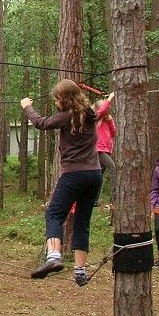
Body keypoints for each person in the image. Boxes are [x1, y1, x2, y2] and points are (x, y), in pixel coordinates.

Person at [21, 79, 102, 287]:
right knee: (82, 222)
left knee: (54, 213)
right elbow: (99, 106)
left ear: (64, 99)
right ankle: (80, 271)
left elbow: (41, 123)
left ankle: (54, 256)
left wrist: (27, 107)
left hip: (74, 174)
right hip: (94, 174)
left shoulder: (67, 117)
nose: (56, 102)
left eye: (57, 99)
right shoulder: (91, 114)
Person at [94, 93, 116, 206]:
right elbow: (101, 111)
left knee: (100, 175)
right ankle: (115, 196)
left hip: (106, 150)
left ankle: (95, 200)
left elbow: (113, 133)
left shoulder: (107, 121)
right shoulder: (95, 120)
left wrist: (111, 120)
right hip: (98, 150)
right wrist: (109, 99)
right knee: (112, 167)